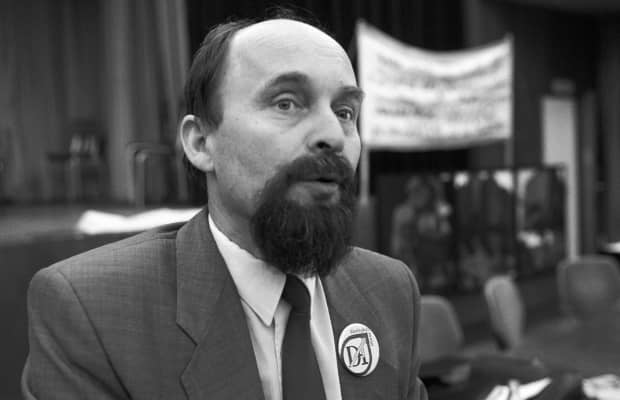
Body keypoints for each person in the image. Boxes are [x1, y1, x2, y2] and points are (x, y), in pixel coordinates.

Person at [22, 12, 427, 400]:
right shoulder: (92, 311)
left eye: (345, 112)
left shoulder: (390, 290)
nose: (333, 135)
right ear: (201, 143)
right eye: (286, 103)